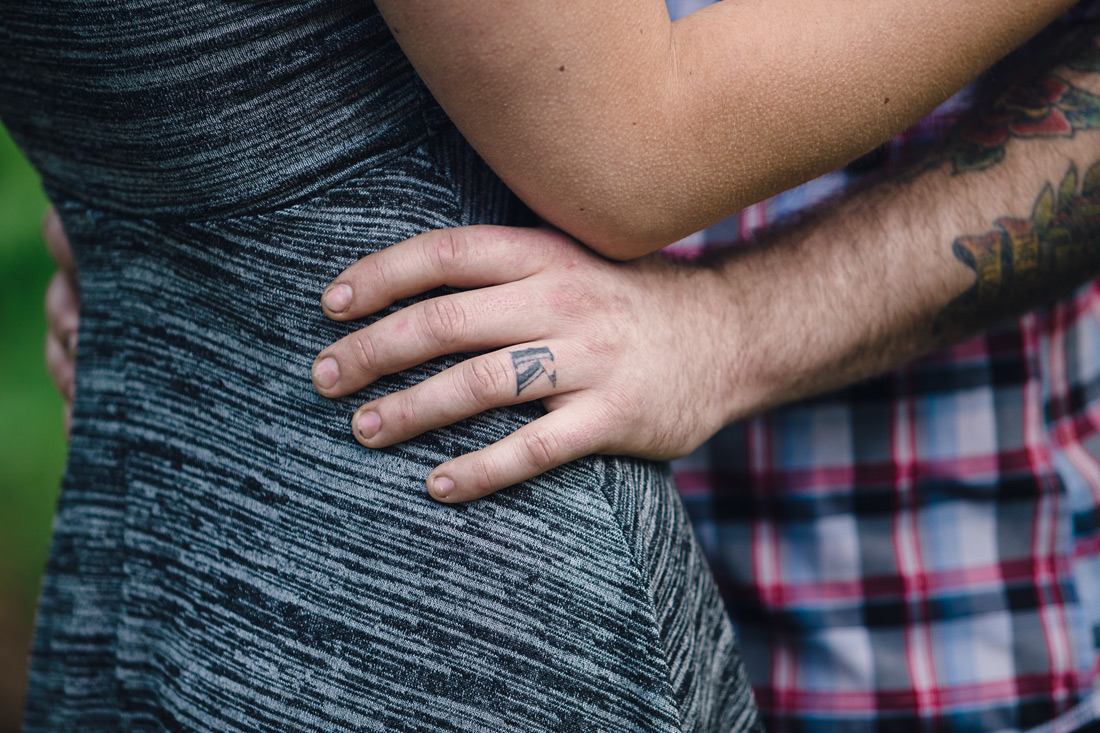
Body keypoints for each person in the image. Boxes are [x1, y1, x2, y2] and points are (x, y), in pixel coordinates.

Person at [44, 3, 1100, 732]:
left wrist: (740, 323)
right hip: (330, 568)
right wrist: (177, 214)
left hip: (930, 616)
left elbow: (627, 153)